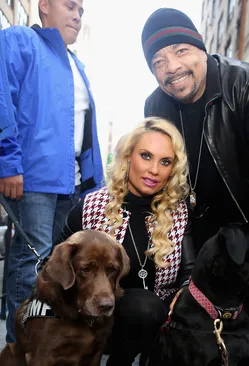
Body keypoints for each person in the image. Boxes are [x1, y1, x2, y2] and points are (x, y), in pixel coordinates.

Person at [141, 8, 249, 366]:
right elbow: (167, 189)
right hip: (204, 236)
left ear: (200, 47)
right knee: (198, 342)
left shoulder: (247, 84)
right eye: (158, 61)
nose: (172, 67)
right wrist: (186, 260)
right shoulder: (155, 105)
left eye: (180, 51)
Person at [0, 0, 104, 343]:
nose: (77, 14)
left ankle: (45, 341)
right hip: (32, 177)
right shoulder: (19, 40)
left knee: (58, 267)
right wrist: (7, 161)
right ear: (44, 6)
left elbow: (85, 132)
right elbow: (2, 97)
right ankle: (20, 346)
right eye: (69, 6)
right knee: (33, 261)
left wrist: (94, 187)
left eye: (81, 11)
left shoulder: (76, 63)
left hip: (70, 184)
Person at [55, 117, 195, 366]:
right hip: (94, 315)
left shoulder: (180, 213)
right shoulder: (91, 207)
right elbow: (53, 266)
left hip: (159, 319)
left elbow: (189, 271)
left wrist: (183, 292)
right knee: (143, 306)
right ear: (129, 156)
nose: (154, 170)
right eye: (146, 156)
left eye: (165, 162)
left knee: (148, 308)